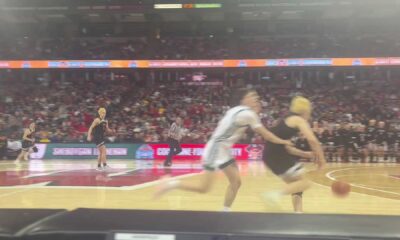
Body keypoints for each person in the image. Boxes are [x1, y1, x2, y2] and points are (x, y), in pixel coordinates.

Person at [154, 89, 292, 211]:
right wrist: (283, 141)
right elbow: (266, 135)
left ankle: (225, 211)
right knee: (204, 188)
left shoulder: (235, 110)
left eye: (256, 96)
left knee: (236, 182)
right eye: (252, 95)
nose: (256, 98)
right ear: (244, 99)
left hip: (224, 150)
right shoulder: (248, 114)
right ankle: (170, 183)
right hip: (215, 150)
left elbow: (232, 127)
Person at [262, 96, 326, 213]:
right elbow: (313, 140)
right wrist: (321, 159)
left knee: (296, 185)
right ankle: (274, 195)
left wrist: (305, 154)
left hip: (270, 155)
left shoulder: (286, 120)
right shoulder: (298, 119)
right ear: (305, 110)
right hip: (276, 154)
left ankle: (298, 213)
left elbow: (289, 149)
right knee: (305, 182)